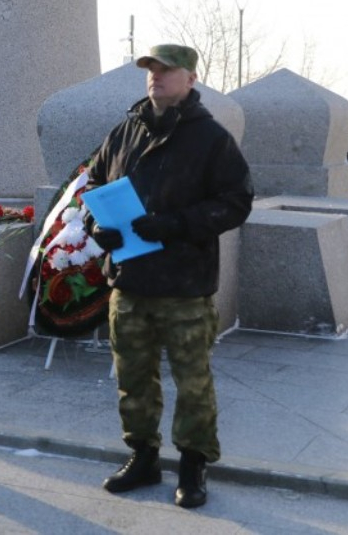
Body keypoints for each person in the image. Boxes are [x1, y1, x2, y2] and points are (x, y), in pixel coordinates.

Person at [83, 43, 253, 508]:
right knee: (132, 376)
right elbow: (93, 185)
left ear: (190, 79)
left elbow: (236, 201)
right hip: (130, 281)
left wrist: (177, 224)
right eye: (151, 69)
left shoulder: (210, 138)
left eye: (167, 70)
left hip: (184, 285)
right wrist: (97, 226)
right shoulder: (123, 132)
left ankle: (194, 466)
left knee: (192, 380)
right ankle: (142, 457)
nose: (155, 76)